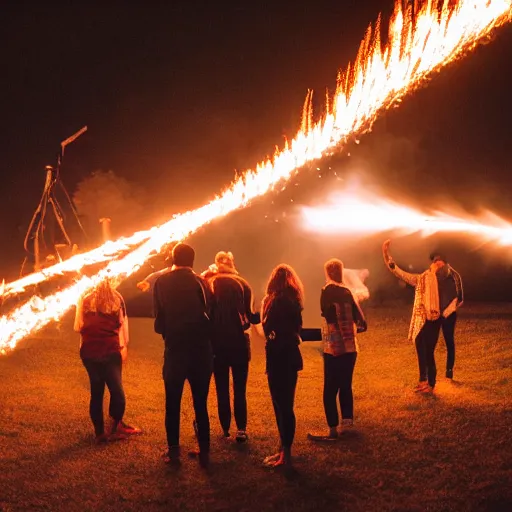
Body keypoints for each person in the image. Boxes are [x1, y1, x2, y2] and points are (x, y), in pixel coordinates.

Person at [153, 242, 214, 467]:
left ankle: (173, 451)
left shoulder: (161, 282)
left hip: (176, 350)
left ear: (172, 258)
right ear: (193, 260)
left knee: (173, 402)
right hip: (201, 352)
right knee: (200, 403)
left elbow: (159, 324)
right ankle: (205, 449)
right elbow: (211, 315)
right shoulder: (203, 283)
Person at [382, 240, 463, 392]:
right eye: (434, 261)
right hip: (422, 320)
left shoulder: (444, 279)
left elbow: (455, 298)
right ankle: (423, 380)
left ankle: (431, 383)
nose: (435, 263)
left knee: (429, 351)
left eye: (439, 262)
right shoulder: (422, 278)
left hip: (434, 320)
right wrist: (387, 256)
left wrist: (446, 313)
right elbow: (399, 273)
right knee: (420, 348)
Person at [74, 279, 142, 443]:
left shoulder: (86, 297)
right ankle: (110, 429)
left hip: (94, 352)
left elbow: (78, 326)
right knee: (114, 391)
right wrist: (123, 345)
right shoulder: (112, 298)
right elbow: (122, 324)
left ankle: (105, 431)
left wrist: (122, 346)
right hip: (102, 352)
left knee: (100, 392)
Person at [203, 251, 260, 443]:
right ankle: (241, 429)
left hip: (217, 344)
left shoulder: (210, 284)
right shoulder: (244, 284)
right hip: (239, 343)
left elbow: (206, 313)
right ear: (232, 264)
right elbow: (252, 317)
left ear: (217, 264)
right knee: (239, 388)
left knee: (221, 387)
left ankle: (225, 428)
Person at [308, 258, 367, 442]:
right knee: (345, 385)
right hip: (351, 348)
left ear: (327, 273)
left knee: (330, 389)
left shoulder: (326, 291)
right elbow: (362, 323)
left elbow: (327, 314)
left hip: (334, 347)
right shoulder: (349, 292)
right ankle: (347, 426)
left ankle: (333, 430)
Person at [261, 264, 304, 468]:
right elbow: (296, 329)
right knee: (285, 405)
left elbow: (268, 329)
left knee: (282, 407)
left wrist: (263, 309)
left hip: (279, 358)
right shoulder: (294, 301)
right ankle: (282, 451)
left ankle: (285, 456)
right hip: (291, 357)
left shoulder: (276, 302)